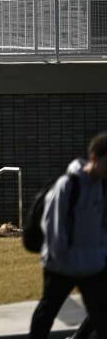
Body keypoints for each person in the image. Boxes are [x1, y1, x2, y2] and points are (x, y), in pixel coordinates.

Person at [29, 134, 107, 339]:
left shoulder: (101, 187)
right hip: (62, 265)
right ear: (94, 157)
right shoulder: (68, 185)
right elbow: (52, 225)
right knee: (47, 313)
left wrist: (100, 254)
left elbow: (99, 226)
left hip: (91, 264)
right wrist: (62, 256)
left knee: (101, 316)